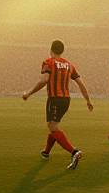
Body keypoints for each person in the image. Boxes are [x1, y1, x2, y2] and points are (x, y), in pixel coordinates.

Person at [22, 40, 92, 170]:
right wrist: (87, 100)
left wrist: (29, 93)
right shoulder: (69, 65)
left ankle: (74, 152)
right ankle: (46, 152)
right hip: (66, 100)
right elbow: (81, 84)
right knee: (54, 125)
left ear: (51, 50)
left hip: (54, 98)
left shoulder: (48, 62)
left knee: (52, 126)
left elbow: (44, 80)